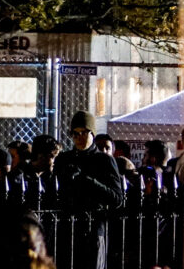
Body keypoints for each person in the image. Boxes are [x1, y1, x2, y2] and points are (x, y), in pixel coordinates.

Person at [53, 110, 125, 269]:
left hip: (93, 228)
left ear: (92, 133)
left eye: (83, 132)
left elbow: (117, 198)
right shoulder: (64, 159)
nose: (79, 137)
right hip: (67, 228)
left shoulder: (104, 160)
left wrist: (87, 181)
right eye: (75, 133)